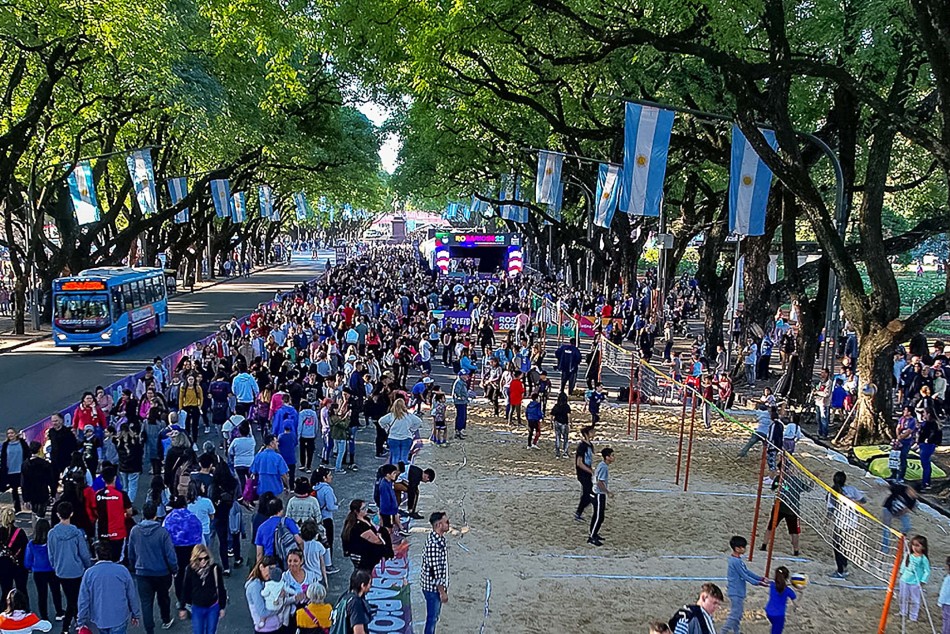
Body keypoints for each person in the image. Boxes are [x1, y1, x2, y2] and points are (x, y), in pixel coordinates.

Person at [128, 502, 178, 634]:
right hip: (162, 573)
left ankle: (149, 629)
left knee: (146, 603)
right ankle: (166, 619)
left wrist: (133, 567)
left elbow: (130, 552)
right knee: (163, 597)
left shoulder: (135, 531)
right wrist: (174, 569)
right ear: (156, 514)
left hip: (142, 573)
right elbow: (170, 555)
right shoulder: (162, 533)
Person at [77, 542, 142, 634]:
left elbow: (83, 600)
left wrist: (81, 621)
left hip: (100, 618)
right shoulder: (122, 570)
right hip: (119, 616)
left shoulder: (89, 573)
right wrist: (136, 614)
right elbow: (131, 594)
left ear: (96, 555)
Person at [47, 502, 92, 634]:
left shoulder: (52, 533)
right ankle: (71, 624)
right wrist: (87, 566)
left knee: (71, 597)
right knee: (76, 598)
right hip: (77, 570)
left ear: (57, 514)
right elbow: (84, 553)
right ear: (71, 513)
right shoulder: (77, 532)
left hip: (61, 571)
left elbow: (51, 554)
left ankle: (76, 621)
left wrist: (55, 566)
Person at [163, 497, 203, 610]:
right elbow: (200, 534)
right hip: (191, 549)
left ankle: (181, 600)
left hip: (175, 549)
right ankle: (190, 600)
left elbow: (164, 534)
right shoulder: (192, 517)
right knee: (191, 573)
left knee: (178, 575)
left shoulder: (169, 518)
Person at [721, 536, 767, 634]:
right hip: (736, 592)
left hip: (739, 591)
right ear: (737, 549)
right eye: (743, 547)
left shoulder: (737, 560)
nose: (745, 549)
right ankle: (723, 631)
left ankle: (736, 631)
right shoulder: (735, 562)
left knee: (738, 614)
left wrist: (760, 578)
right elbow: (744, 575)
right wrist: (758, 583)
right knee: (735, 615)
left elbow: (747, 572)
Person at [826, 471, 866, 579]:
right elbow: (864, 500)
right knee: (844, 547)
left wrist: (826, 521)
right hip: (853, 523)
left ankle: (840, 571)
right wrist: (853, 500)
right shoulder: (852, 489)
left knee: (837, 547)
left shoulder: (833, 492)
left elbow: (830, 510)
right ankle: (844, 567)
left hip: (841, 523)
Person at [179, 545, 227, 634]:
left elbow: (221, 588)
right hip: (197, 607)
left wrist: (222, 607)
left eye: (206, 558)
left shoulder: (215, 569)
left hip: (213, 606)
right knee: (198, 632)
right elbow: (186, 589)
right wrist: (182, 607)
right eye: (200, 559)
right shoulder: (190, 570)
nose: (204, 561)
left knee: (211, 631)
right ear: (195, 559)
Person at [25, 520, 62, 623]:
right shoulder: (52, 543)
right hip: (52, 570)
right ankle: (59, 612)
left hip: (38, 572)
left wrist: (32, 567)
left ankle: (44, 616)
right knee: (56, 592)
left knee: (42, 594)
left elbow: (27, 561)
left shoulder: (31, 544)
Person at [94, 466, 133, 563]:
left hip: (102, 532)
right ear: (115, 478)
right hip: (118, 533)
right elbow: (129, 512)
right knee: (117, 559)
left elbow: (95, 511)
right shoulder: (122, 494)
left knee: (104, 559)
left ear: (103, 479)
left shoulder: (98, 495)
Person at [244, 556, 292, 634]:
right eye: (270, 568)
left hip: (275, 627)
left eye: (274, 569)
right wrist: (278, 609)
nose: (271, 572)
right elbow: (262, 612)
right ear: (261, 567)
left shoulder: (270, 582)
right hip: (265, 630)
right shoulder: (255, 586)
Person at [421, 512, 449, 634]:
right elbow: (435, 572)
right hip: (433, 589)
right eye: (446, 522)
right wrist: (442, 592)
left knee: (433, 617)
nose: (449, 524)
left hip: (432, 587)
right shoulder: (434, 545)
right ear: (438, 525)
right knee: (432, 619)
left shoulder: (438, 539)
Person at [340, 500, 389, 572]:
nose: (366, 509)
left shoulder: (365, 519)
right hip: (362, 556)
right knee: (363, 574)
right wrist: (380, 536)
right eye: (363, 508)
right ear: (356, 511)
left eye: (366, 507)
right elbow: (376, 541)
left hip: (364, 554)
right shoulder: (359, 526)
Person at [254, 497, 304, 562]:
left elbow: (259, 553)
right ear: (281, 510)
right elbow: (299, 541)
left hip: (270, 561)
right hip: (287, 559)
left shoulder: (261, 528)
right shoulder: (288, 522)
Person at [329, 569, 373, 634]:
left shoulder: (344, 596)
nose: (370, 586)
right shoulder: (356, 603)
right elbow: (358, 632)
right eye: (369, 583)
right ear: (362, 585)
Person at [379, 399, 422, 467]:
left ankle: (394, 473)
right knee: (404, 457)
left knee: (395, 457)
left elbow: (381, 421)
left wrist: (387, 429)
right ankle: (403, 474)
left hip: (393, 438)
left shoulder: (391, 415)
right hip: (406, 438)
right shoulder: (409, 416)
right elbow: (419, 422)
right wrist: (412, 430)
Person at [900, 535, 931, 623]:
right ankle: (903, 612)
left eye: (917, 545)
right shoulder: (909, 555)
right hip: (905, 580)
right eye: (913, 545)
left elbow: (927, 571)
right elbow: (904, 564)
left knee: (915, 600)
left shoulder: (923, 559)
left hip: (915, 582)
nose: (914, 547)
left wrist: (923, 581)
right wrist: (902, 572)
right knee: (903, 597)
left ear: (923, 547)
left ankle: (913, 616)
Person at [20, 442, 53, 521]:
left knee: (34, 514)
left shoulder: (25, 464)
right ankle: (41, 529)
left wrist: (25, 499)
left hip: (31, 493)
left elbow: (23, 483)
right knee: (41, 514)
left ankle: (35, 530)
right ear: (39, 450)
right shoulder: (45, 464)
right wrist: (53, 493)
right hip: (42, 492)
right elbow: (50, 480)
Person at [588, 447, 614, 547]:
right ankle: (592, 537)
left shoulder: (602, 465)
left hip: (596, 493)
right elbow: (600, 483)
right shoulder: (604, 467)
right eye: (612, 455)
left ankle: (594, 533)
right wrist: (608, 492)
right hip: (598, 494)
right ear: (607, 457)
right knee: (599, 517)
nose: (613, 457)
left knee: (597, 516)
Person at [0, 508, 28, 600]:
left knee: (5, 591)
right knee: (22, 589)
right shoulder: (20, 532)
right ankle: (24, 609)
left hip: (3, 565)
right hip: (18, 565)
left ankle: (5, 610)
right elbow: (25, 550)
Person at [0, 428, 29, 513]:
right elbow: (3, 458)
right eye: (8, 433)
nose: (10, 435)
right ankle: (17, 508)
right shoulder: (5, 445)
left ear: (16, 434)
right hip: (11, 471)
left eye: (12, 433)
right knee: (14, 490)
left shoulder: (22, 443)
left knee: (24, 487)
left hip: (22, 470)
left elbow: (27, 454)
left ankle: (26, 503)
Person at [764, 566, 797, 634]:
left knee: (774, 628)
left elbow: (768, 581)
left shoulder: (772, 585)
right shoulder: (788, 590)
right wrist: (802, 594)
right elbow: (797, 604)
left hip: (769, 611)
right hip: (779, 615)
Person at [573, 426, 595, 523]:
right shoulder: (582, 446)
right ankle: (578, 512)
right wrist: (590, 470)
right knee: (589, 494)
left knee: (587, 494)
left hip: (587, 473)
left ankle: (579, 512)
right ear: (586, 434)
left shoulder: (590, 445)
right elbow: (579, 463)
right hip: (583, 474)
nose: (594, 433)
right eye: (591, 432)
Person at [551, 392, 571, 459]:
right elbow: (569, 415)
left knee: (557, 438)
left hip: (557, 422)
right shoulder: (566, 406)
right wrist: (570, 423)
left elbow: (552, 415)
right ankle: (565, 453)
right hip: (564, 423)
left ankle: (557, 453)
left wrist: (551, 423)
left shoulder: (556, 406)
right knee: (565, 438)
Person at [451, 371, 470, 440]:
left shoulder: (462, 382)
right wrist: (461, 397)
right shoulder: (459, 382)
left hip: (463, 402)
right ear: (461, 375)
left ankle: (460, 430)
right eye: (465, 375)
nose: (467, 376)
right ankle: (458, 431)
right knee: (461, 416)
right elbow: (456, 393)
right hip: (460, 402)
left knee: (463, 416)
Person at [937, 556, 950, 634]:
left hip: (947, 604)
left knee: (946, 620)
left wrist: (940, 602)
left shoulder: (948, 579)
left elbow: (944, 592)